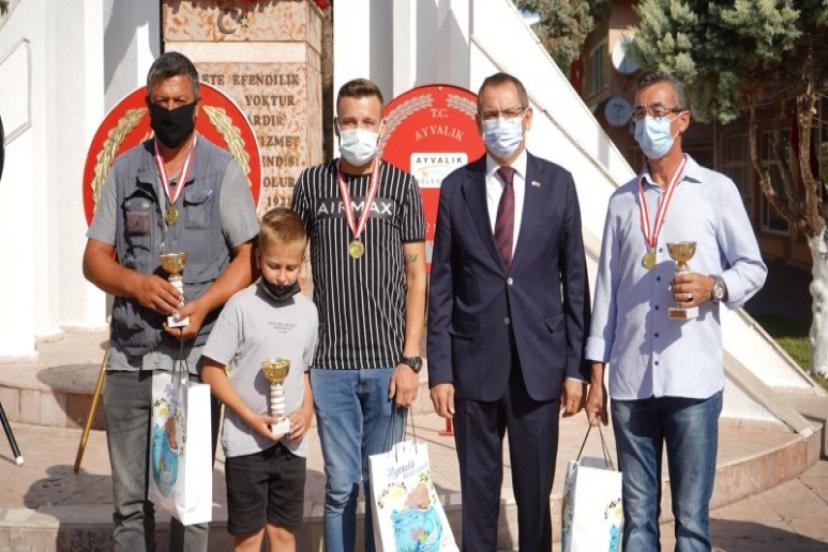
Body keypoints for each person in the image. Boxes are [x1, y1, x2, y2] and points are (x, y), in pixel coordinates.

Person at [83, 51, 259, 551]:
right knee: (129, 508)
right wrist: (136, 285)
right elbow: (94, 259)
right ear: (147, 104)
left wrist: (204, 306)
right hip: (131, 360)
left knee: (192, 505)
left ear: (197, 104)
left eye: (180, 101)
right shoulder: (125, 171)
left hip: (196, 362)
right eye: (161, 102)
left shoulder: (222, 170)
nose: (171, 111)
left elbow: (249, 257)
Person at [585, 71, 767, 551]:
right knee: (638, 523)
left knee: (691, 523)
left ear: (683, 120)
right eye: (640, 114)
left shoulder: (716, 191)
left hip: (693, 384)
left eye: (658, 112)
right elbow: (606, 291)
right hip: (631, 385)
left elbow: (754, 267)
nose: (647, 122)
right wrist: (596, 375)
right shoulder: (622, 202)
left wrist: (715, 286)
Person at [427, 71, 591, 551]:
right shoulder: (457, 187)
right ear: (478, 122)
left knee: (535, 498)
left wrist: (575, 369)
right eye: (490, 114)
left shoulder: (558, 185)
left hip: (538, 369)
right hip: (474, 368)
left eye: (509, 112)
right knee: (478, 498)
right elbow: (442, 284)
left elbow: (574, 282)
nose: (500, 122)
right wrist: (441, 371)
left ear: (528, 117)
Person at [290, 78, 426, 551]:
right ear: (335, 125)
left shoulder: (403, 186)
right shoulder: (312, 184)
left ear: (382, 126)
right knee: (340, 488)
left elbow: (416, 276)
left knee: (384, 491)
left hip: (388, 365)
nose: (358, 131)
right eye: (349, 122)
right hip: (330, 365)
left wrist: (410, 360)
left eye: (368, 122)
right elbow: (290, 263)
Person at [201, 208, 318, 552]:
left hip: (291, 444)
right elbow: (211, 370)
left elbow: (304, 370)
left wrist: (306, 410)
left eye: (290, 268)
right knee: (248, 538)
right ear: (258, 258)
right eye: (273, 266)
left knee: (283, 535)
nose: (282, 276)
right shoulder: (240, 306)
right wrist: (250, 418)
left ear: (302, 262)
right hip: (246, 443)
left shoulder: (308, 312)